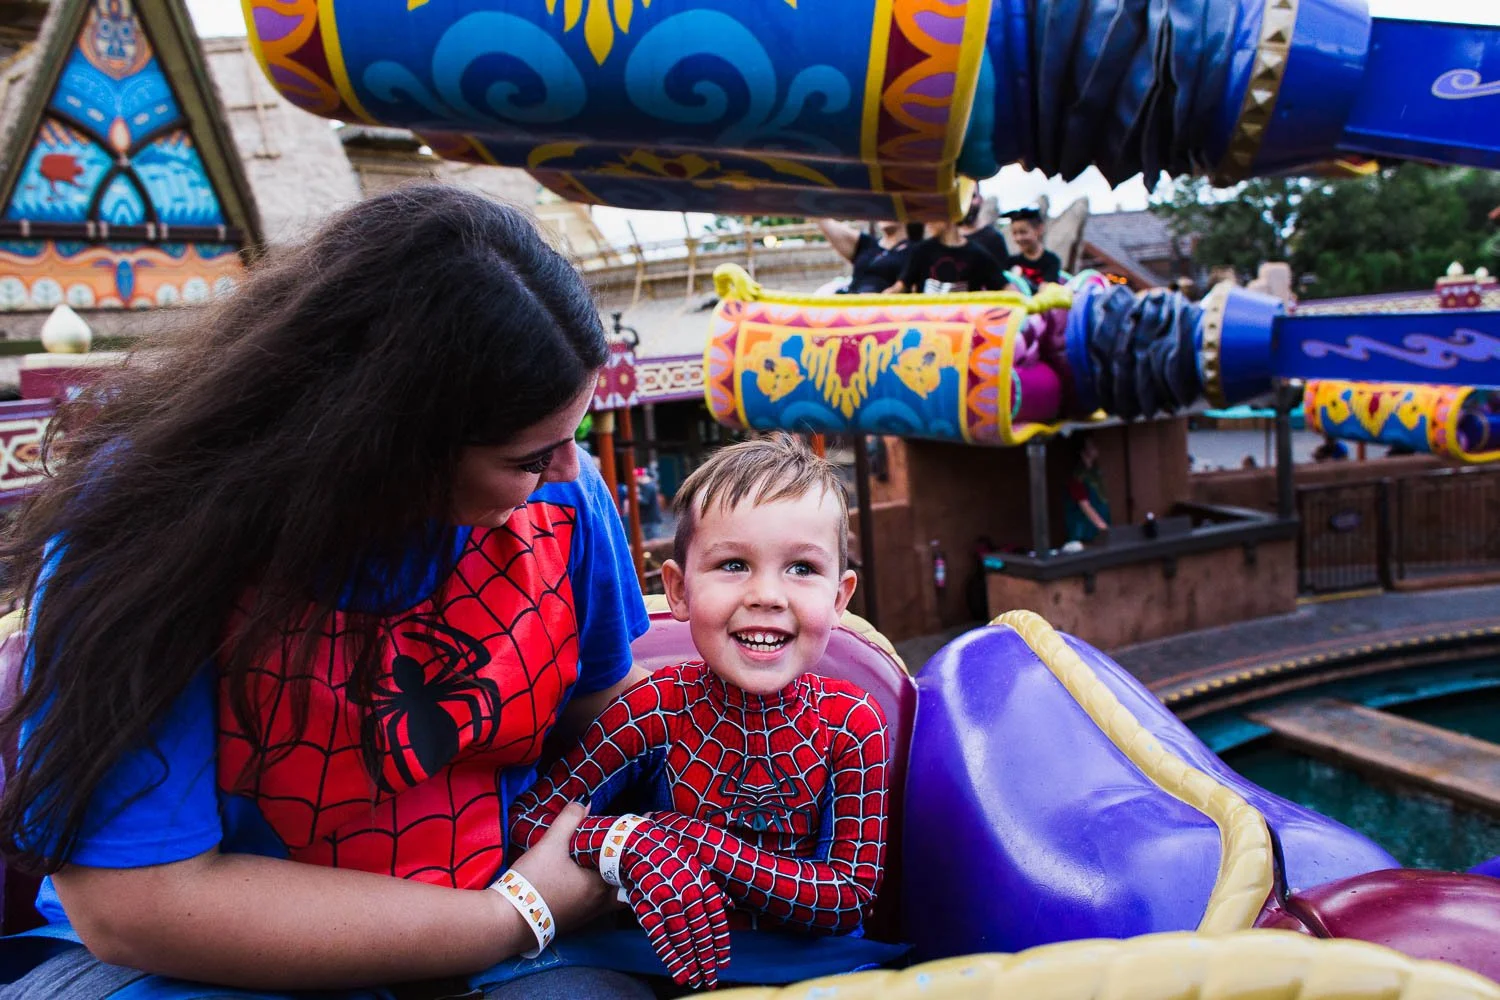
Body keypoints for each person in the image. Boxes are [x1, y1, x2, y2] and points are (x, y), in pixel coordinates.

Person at [0, 186, 660, 999]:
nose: (569, 473)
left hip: (517, 947)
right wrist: (510, 915)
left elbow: (605, 706)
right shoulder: (148, 531)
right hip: (186, 968)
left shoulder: (566, 497)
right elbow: (134, 906)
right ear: (387, 446)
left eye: (576, 438)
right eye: (528, 458)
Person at [509, 434, 889, 990]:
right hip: (651, 961)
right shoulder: (656, 708)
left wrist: (688, 841)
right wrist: (627, 844)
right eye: (734, 564)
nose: (767, 594)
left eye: (803, 569)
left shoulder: (852, 723)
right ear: (679, 589)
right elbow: (529, 822)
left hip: (811, 967)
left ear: (839, 596)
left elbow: (848, 896)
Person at [888, 218, 1011, 295]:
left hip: (963, 326)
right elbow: (900, 287)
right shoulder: (922, 250)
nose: (927, 221)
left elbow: (1008, 289)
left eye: (932, 214)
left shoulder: (977, 254)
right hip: (927, 324)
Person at [813, 219, 913, 294]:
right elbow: (823, 220)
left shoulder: (915, 250)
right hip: (851, 303)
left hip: (883, 309)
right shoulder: (868, 244)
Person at [1064, 434, 1111, 545]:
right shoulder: (1078, 477)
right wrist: (1104, 528)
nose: (1095, 448)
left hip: (1098, 532)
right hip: (1084, 535)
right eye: (1091, 446)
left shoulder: (1095, 473)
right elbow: (1085, 506)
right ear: (1083, 452)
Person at [1004, 208, 1064, 287]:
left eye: (1023, 232)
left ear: (1039, 230)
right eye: (1014, 233)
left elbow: (1046, 290)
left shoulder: (1051, 260)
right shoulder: (1011, 262)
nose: (1019, 238)